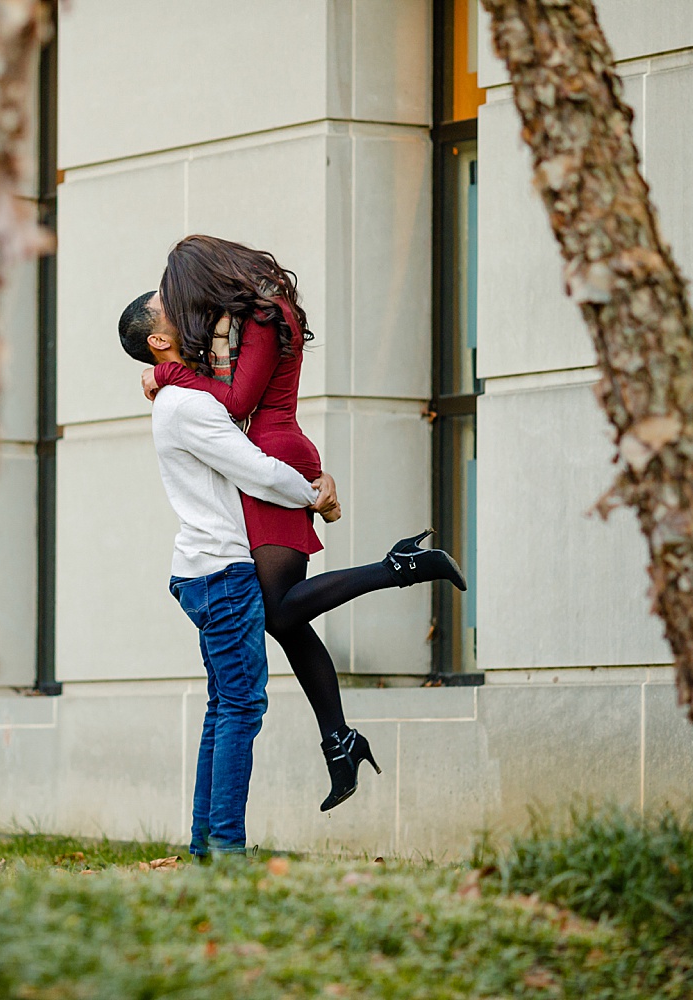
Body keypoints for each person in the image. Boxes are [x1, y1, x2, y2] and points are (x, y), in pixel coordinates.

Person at [139, 234, 467, 812]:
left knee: (273, 610)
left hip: (276, 457)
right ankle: (339, 741)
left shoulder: (264, 315)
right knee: (282, 617)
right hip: (270, 454)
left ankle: (399, 568)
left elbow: (238, 403)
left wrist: (167, 375)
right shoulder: (251, 313)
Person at [118, 291, 338, 858]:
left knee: (226, 706)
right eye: (173, 307)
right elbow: (258, 470)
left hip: (205, 570)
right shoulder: (186, 406)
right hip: (221, 572)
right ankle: (226, 850)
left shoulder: (178, 396)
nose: (191, 309)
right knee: (242, 706)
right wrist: (316, 495)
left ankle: (206, 846)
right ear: (159, 340)